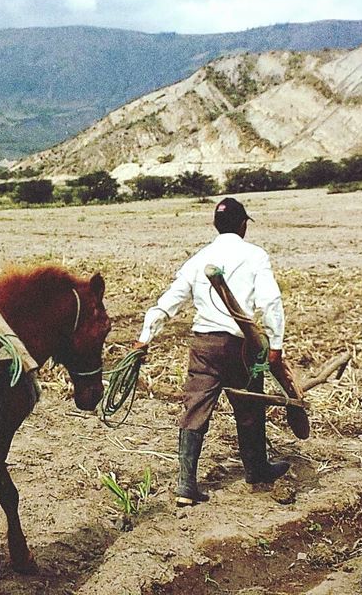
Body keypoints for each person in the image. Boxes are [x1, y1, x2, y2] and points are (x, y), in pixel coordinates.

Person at [133, 196, 289, 506]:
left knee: (195, 407)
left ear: (216, 226)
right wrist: (276, 346)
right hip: (240, 346)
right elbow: (270, 302)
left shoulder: (198, 259)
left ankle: (186, 484)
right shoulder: (255, 256)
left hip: (203, 345)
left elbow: (170, 302)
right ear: (244, 225)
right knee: (248, 407)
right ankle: (257, 470)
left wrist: (145, 337)